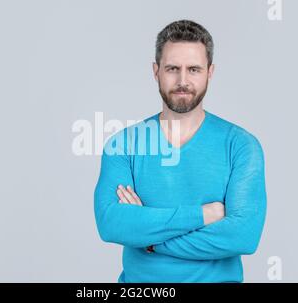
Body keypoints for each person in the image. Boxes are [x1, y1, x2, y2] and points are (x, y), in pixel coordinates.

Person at [94, 19, 267, 283]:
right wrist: (202, 214)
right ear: (156, 72)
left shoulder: (241, 145)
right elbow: (111, 223)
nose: (183, 80)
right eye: (173, 68)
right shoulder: (124, 145)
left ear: (210, 72)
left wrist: (150, 240)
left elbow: (243, 235)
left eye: (194, 69)